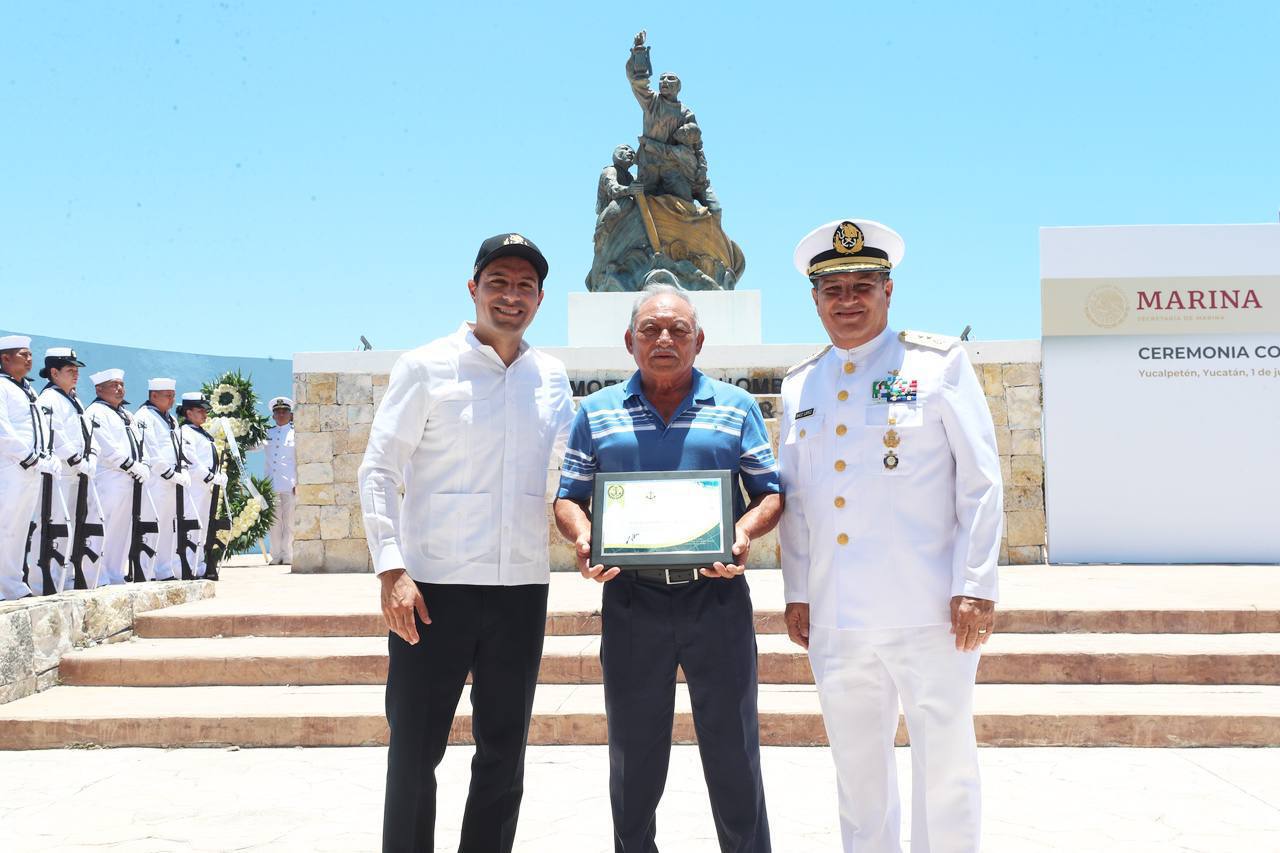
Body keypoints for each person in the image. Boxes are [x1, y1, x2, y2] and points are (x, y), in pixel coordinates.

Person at [779, 219, 1003, 853]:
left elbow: (981, 483)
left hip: (930, 610)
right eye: (833, 290)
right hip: (838, 614)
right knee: (857, 774)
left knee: (947, 768)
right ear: (816, 300)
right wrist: (800, 591)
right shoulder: (802, 384)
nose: (847, 301)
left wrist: (976, 585)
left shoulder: (937, 365)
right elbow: (797, 503)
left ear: (888, 292)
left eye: (862, 287)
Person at [358, 233, 575, 853]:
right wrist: (390, 570)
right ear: (473, 287)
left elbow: (568, 476)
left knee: (504, 754)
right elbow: (379, 469)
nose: (512, 296)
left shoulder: (550, 377)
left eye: (525, 286)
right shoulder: (425, 367)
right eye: (499, 282)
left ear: (539, 298)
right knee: (415, 751)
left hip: (520, 590)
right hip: (433, 590)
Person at [553, 283, 782, 853]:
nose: (664, 339)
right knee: (633, 754)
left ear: (698, 340)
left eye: (677, 329)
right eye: (651, 329)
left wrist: (743, 531)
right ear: (629, 340)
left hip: (717, 598)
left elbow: (770, 493)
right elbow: (568, 497)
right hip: (632, 601)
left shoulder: (737, 407)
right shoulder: (597, 412)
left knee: (734, 749)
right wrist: (583, 537)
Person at [34, 347, 99, 592]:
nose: (76, 375)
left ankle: (67, 577)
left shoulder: (73, 399)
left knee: (73, 527)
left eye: (76, 370)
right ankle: (46, 581)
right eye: (70, 370)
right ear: (54, 372)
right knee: (54, 526)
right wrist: (75, 459)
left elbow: (87, 433)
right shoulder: (49, 399)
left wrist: (91, 456)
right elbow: (55, 433)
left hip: (78, 473)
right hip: (60, 473)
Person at [0, 334, 58, 600]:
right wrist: (29, 456)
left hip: (30, 467)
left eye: (30, 354)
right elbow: (3, 431)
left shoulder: (27, 389)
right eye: (23, 354)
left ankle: (13, 585)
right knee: (6, 525)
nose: (30, 359)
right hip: (10, 466)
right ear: (5, 358)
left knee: (22, 527)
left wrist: (45, 455)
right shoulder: (2, 386)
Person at [85, 369, 151, 585]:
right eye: (114, 385)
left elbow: (140, 442)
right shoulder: (96, 411)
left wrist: (144, 464)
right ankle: (97, 574)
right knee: (104, 525)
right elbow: (107, 446)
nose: (119, 389)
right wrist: (131, 465)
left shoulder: (126, 414)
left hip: (129, 479)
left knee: (123, 529)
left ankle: (115, 572)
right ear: (99, 389)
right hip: (109, 478)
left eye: (121, 384)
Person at [134, 378, 192, 581]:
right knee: (152, 525)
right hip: (155, 481)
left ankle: (164, 570)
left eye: (173, 395)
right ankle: (146, 571)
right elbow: (151, 451)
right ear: (153, 395)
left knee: (169, 526)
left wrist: (182, 469)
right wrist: (170, 473)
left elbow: (178, 446)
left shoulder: (170, 418)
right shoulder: (144, 416)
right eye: (168, 395)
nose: (172, 399)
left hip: (172, 482)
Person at [179, 392, 227, 579]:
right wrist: (211, 477)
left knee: (204, 527)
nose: (205, 414)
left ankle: (199, 566)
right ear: (188, 412)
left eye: (206, 410)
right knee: (192, 526)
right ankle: (188, 566)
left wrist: (218, 475)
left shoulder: (202, 434)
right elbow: (192, 461)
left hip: (204, 488)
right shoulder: (186, 432)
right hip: (193, 487)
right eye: (201, 410)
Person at [264, 397, 296, 565]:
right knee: (274, 522)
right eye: (278, 412)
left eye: (284, 411)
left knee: (290, 521)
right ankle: (276, 555)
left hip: (290, 484)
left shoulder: (296, 433)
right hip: (271, 484)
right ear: (273, 415)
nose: (281, 414)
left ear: (291, 414)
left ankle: (289, 554)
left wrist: (298, 482)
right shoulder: (267, 433)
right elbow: (252, 445)